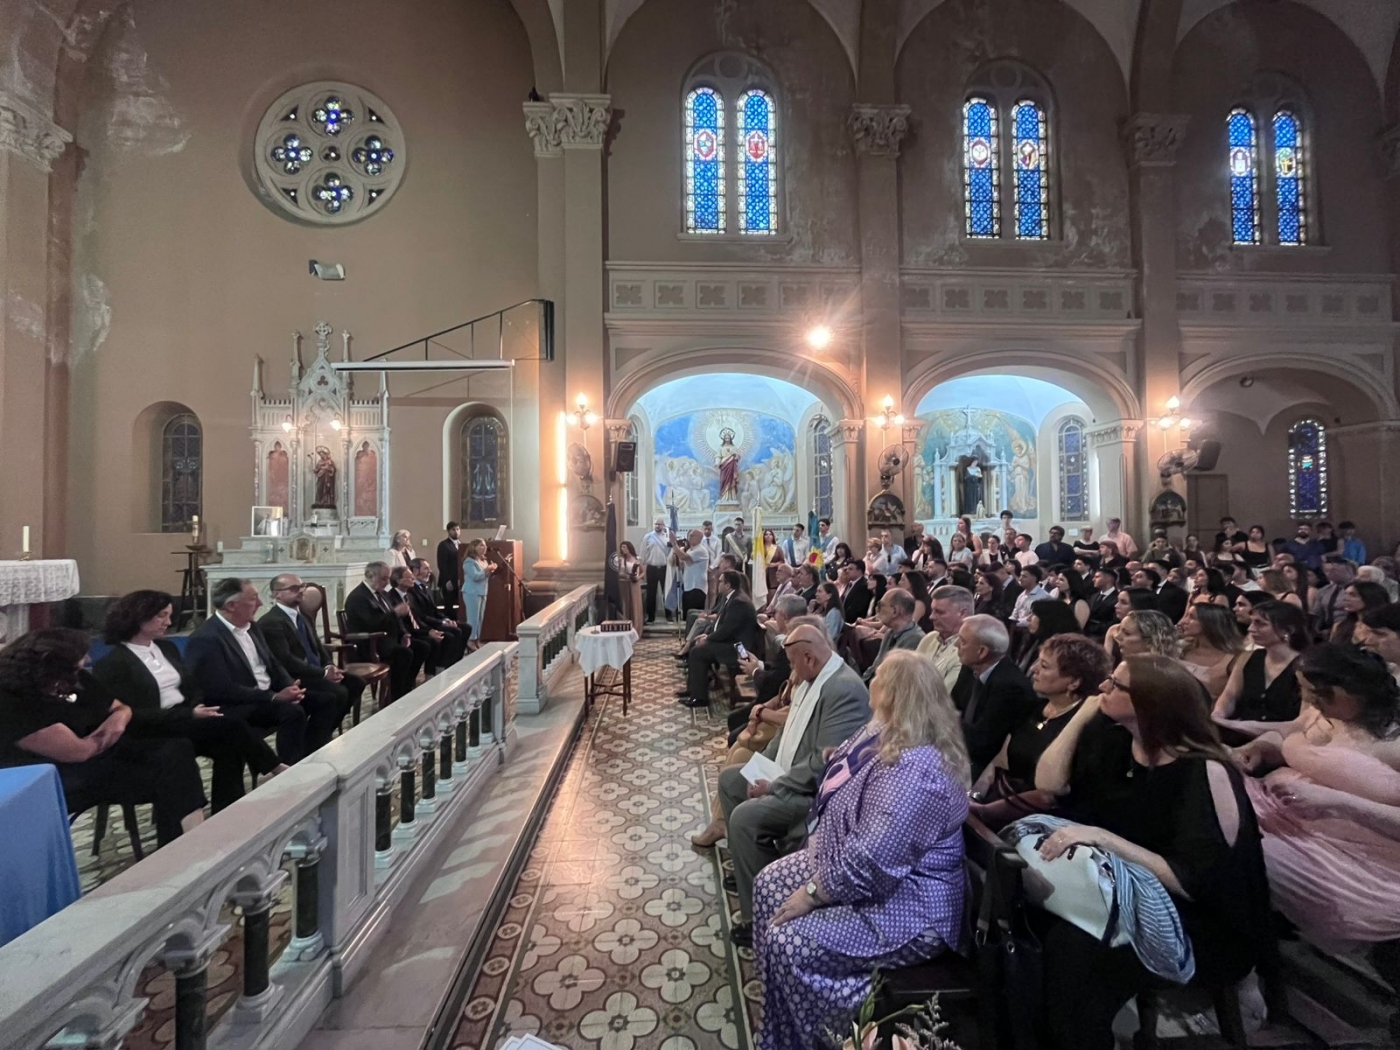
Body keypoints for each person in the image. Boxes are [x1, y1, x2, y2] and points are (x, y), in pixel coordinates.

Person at [1031, 655, 1272, 1050]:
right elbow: (1048, 783)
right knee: (1034, 924)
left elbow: (1196, 881)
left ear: (1150, 702)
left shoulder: (1202, 771)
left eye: (1115, 684)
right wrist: (1081, 716)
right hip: (1126, 896)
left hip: (1200, 924)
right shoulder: (1115, 741)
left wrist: (1106, 840)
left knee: (1078, 953)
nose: (1102, 688)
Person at [751, 650, 969, 1050]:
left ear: (894, 694)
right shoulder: (887, 729)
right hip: (859, 866)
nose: (870, 678)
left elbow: (873, 856)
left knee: (790, 943)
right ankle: (778, 1025)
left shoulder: (914, 767)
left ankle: (825, 1036)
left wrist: (813, 893)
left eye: (879, 676)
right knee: (768, 884)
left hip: (911, 901)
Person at [1235, 644, 1400, 949]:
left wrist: (1336, 801)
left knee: (1236, 849)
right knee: (1208, 798)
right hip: (1284, 808)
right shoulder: (1321, 710)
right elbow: (1291, 734)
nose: (1308, 699)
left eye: (1315, 693)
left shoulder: (1395, 742)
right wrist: (1258, 747)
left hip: (1355, 857)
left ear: (1350, 692)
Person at [718, 624, 871, 945]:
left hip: (816, 796)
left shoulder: (843, 690)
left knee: (744, 818)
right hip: (791, 774)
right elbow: (788, 737)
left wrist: (774, 785)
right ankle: (753, 871)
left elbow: (824, 762)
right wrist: (763, 766)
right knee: (733, 779)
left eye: (791, 662)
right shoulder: (812, 678)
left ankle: (759, 918)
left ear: (809, 658)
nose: (790, 670)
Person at [0, 628, 208, 846]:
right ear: (53, 663)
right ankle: (185, 841)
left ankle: (185, 837)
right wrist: (108, 732)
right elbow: (78, 752)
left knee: (177, 749)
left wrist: (116, 722)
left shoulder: (75, 678)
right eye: (81, 656)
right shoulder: (12, 701)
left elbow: (122, 708)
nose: (87, 659)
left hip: (100, 752)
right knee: (172, 779)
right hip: (56, 775)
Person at [92, 591, 285, 812]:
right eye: (162, 616)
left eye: (169, 615)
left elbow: (191, 684)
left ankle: (227, 808)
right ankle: (275, 768)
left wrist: (195, 705)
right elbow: (133, 714)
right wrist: (189, 714)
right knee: (230, 726)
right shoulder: (113, 663)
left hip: (184, 718)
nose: (169, 622)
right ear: (139, 617)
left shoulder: (167, 648)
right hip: (153, 730)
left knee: (229, 741)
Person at [187, 579, 338, 765]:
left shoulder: (252, 626)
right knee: (292, 712)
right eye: (253, 599)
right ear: (231, 605)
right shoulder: (206, 638)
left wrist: (289, 686)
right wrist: (273, 697)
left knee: (327, 699)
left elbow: (273, 663)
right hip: (241, 702)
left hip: (266, 693)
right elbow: (222, 688)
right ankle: (291, 768)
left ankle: (313, 755)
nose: (259, 604)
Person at [969, 634, 1110, 826]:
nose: (1033, 669)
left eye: (1044, 666)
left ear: (1074, 682)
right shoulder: (1034, 707)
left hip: (1032, 821)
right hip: (994, 802)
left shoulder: (1084, 724)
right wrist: (974, 797)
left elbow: (1049, 796)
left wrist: (984, 812)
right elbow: (999, 761)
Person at [258, 573, 362, 731]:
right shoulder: (271, 622)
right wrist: (323, 673)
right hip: (295, 677)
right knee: (337, 693)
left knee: (356, 683)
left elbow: (318, 646)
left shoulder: (304, 616)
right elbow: (286, 660)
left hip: (314, 671)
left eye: (302, 586)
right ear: (276, 594)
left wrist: (329, 666)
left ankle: (323, 730)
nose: (300, 591)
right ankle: (314, 741)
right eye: (294, 588)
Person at [951, 613, 1037, 778]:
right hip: (957, 750)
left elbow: (982, 744)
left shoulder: (1010, 687)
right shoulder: (970, 667)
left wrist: (949, 719)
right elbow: (951, 705)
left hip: (983, 768)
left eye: (962, 641)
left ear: (982, 651)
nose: (956, 645)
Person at [1214, 600, 1307, 726]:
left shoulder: (1304, 665)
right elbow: (1230, 696)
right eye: (1252, 622)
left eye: (1260, 624)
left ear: (1288, 630)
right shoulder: (1247, 658)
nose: (1250, 628)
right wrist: (1218, 715)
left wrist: (1241, 726)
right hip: (1241, 728)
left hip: (1281, 736)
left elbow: (1301, 721)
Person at [677, 571, 759, 708]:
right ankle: (693, 689)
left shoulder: (739, 602)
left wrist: (708, 639)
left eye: (720, 581)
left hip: (739, 648)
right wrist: (706, 635)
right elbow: (719, 624)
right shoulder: (732, 597)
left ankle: (700, 698)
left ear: (727, 585)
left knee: (698, 652)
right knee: (696, 645)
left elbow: (728, 629)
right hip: (731, 641)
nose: (718, 584)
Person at [345, 561, 424, 700]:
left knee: (421, 647)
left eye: (388, 578)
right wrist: (395, 612)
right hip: (368, 645)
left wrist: (404, 633)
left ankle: (406, 687)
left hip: (387, 640)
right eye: (384, 579)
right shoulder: (358, 597)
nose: (387, 583)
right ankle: (396, 696)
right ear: (370, 575)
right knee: (403, 653)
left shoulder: (381, 594)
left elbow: (394, 620)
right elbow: (371, 624)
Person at [393, 564, 464, 672]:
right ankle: (431, 673)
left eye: (412, 576)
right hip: (406, 633)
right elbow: (406, 622)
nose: (412, 579)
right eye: (409, 577)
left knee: (459, 630)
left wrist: (433, 628)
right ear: (398, 580)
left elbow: (418, 618)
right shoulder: (393, 596)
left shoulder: (409, 595)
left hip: (419, 627)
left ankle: (446, 667)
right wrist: (428, 632)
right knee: (431, 642)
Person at [1178, 602, 1247, 701]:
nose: (1183, 621)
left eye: (1192, 617)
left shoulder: (1236, 658)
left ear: (1210, 623)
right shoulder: (1180, 648)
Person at [861, 588, 924, 684]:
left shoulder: (914, 639)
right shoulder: (890, 633)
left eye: (880, 605)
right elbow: (875, 667)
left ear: (895, 611)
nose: (877, 609)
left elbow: (893, 680)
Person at [918, 585, 974, 690]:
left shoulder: (967, 652)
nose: (931, 617)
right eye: (932, 611)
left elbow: (944, 698)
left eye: (939, 612)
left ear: (962, 613)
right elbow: (909, 675)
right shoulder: (929, 638)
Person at [1329, 580, 1391, 646]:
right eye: (1345, 594)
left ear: (1369, 597)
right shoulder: (1339, 626)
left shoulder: (1387, 627)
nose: (1345, 598)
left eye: (1353, 595)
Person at [460, 538, 496, 647]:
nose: (484, 548)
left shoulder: (483, 560)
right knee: (473, 618)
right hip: (471, 592)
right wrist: (487, 570)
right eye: (481, 545)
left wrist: (491, 570)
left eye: (485, 545)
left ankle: (477, 639)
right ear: (474, 547)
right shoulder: (469, 561)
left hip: (482, 591)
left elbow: (484, 577)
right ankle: (470, 640)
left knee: (480, 618)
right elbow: (475, 576)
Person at [672, 527, 713, 616]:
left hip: (697, 586)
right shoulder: (690, 550)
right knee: (687, 614)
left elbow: (685, 557)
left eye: (692, 536)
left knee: (694, 614)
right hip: (688, 585)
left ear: (699, 538)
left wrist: (674, 544)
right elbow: (682, 563)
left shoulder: (701, 550)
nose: (689, 538)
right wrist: (678, 553)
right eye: (689, 536)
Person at [641, 518, 671, 623]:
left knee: (666, 592)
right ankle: (651, 616)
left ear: (663, 525)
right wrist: (643, 569)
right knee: (651, 593)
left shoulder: (667, 537)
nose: (658, 526)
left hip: (664, 568)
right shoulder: (648, 537)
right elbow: (643, 553)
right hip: (652, 568)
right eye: (656, 524)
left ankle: (669, 615)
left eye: (660, 524)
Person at [612, 540, 644, 632]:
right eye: (621, 547)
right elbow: (617, 573)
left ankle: (636, 627)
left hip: (634, 584)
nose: (623, 549)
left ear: (629, 547)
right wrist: (624, 575)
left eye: (624, 547)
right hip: (624, 584)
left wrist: (638, 578)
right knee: (625, 604)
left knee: (635, 604)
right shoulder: (620, 560)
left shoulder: (637, 559)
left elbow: (643, 572)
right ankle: (625, 626)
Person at [1085, 566, 1120, 639]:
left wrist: (1094, 628)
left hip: (1104, 636)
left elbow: (1114, 621)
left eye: (1097, 577)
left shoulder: (1118, 597)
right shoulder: (1093, 596)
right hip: (1088, 633)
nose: (1093, 579)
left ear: (1108, 579)